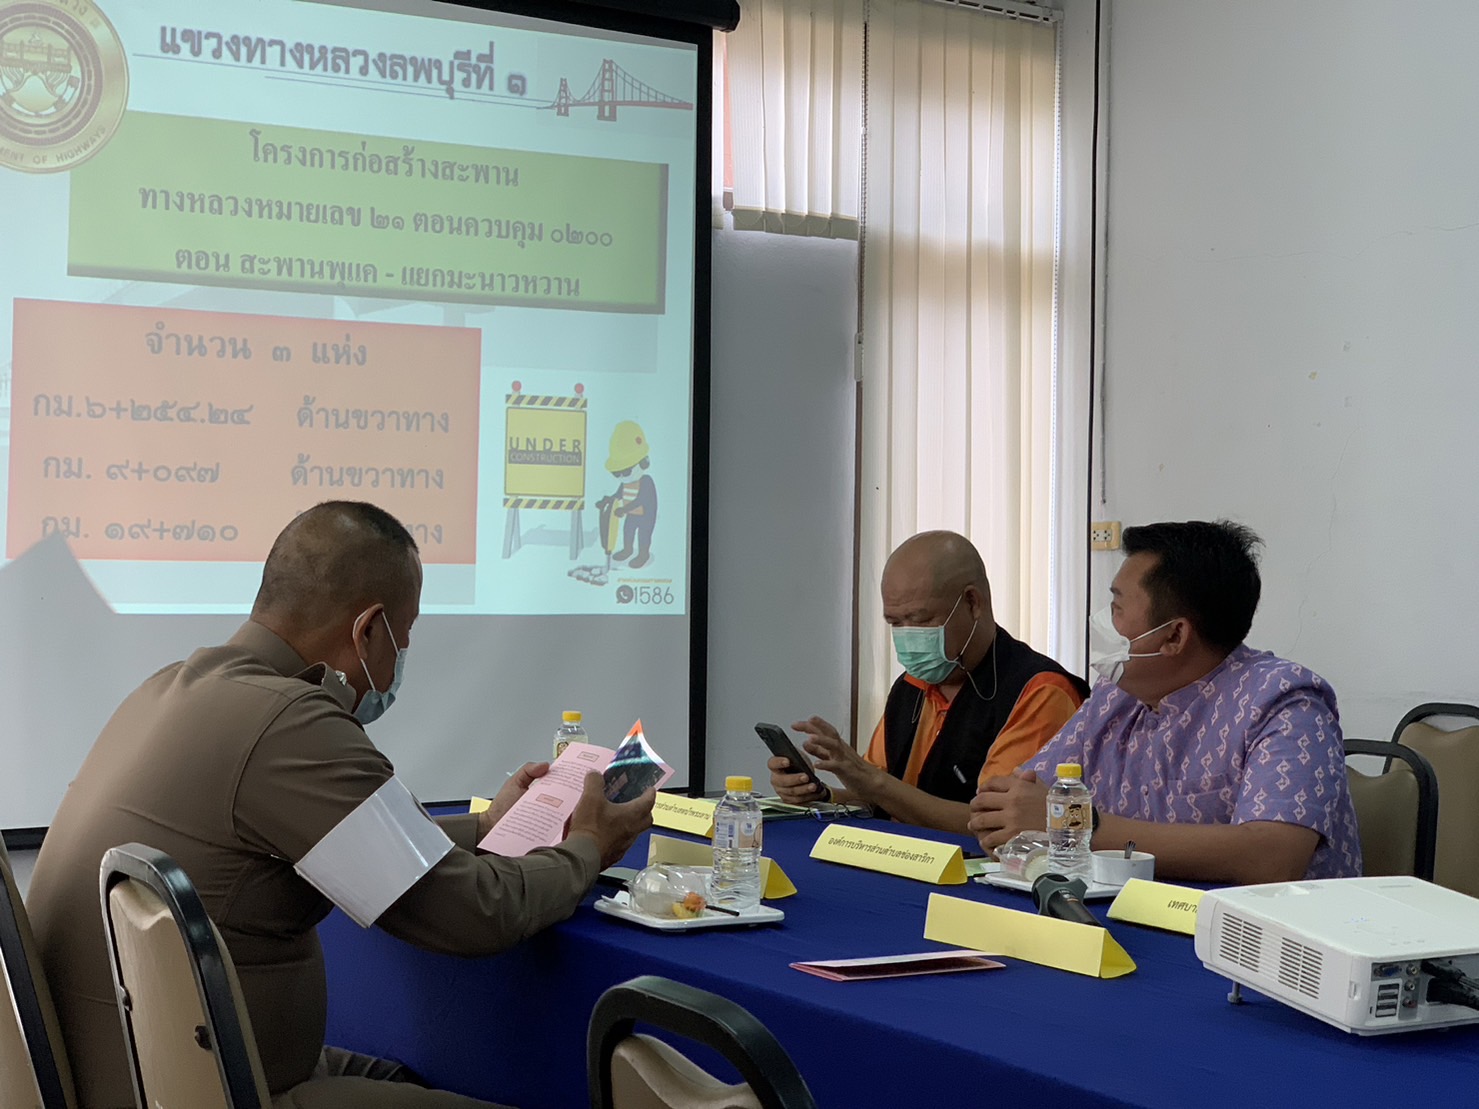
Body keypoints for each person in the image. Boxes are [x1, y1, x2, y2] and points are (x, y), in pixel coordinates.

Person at [26, 501, 655, 1109]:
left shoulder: (173, 689)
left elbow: (366, 841)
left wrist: (490, 825)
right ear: (368, 629)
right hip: (224, 1088)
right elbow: (474, 913)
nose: (401, 657)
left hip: (142, 1076)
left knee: (410, 1079)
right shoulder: (289, 724)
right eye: (404, 637)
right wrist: (587, 848)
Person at [968, 519, 1362, 884]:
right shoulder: (1114, 696)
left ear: (1174, 636)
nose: (1104, 621)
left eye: (1117, 608)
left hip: (1251, 932)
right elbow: (1023, 798)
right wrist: (1010, 815)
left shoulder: (1285, 704)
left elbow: (1272, 856)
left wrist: (1075, 824)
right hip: (1126, 914)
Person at [768, 530, 1088, 834]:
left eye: (920, 619)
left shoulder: (1039, 691)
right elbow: (882, 801)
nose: (908, 635)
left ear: (973, 602)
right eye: (895, 622)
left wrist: (868, 779)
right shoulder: (912, 685)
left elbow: (994, 822)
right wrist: (822, 794)